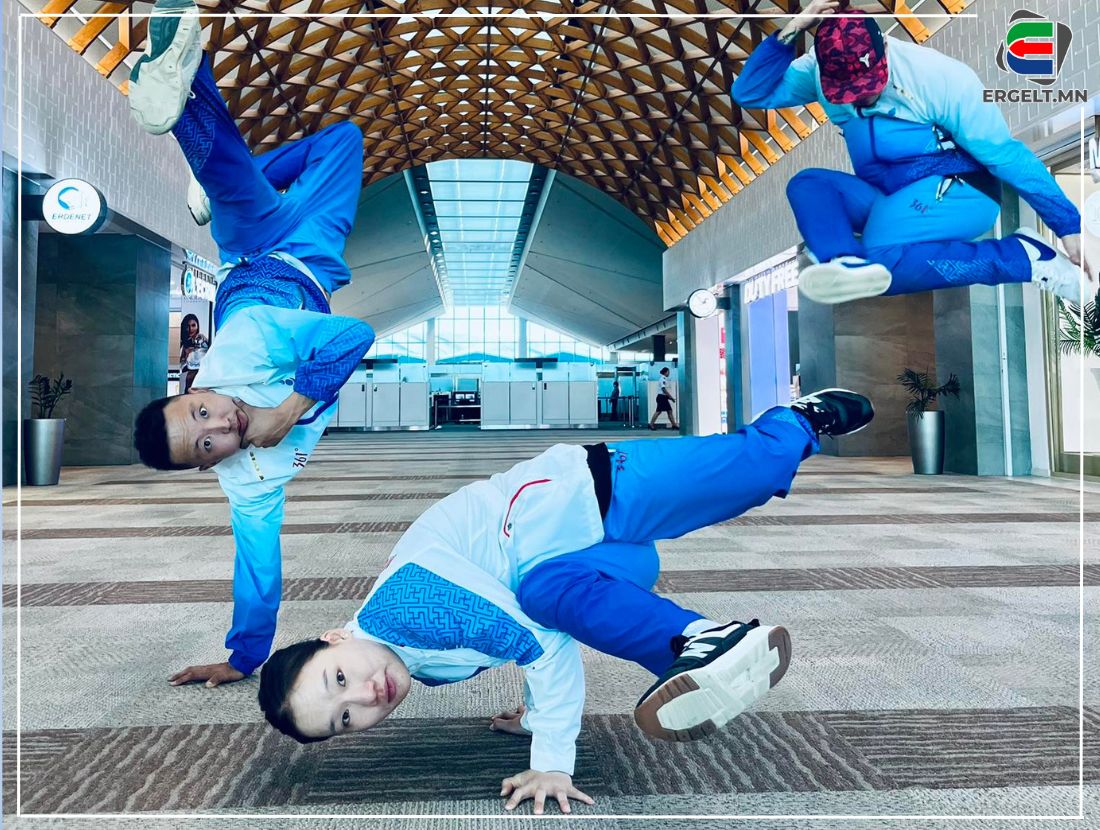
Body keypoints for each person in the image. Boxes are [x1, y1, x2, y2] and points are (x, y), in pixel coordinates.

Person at [256, 389, 875, 814]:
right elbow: (511, 628)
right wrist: (532, 715)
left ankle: (800, 417)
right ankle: (696, 645)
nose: (367, 696)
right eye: (345, 719)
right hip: (596, 565)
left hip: (597, 492)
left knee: (754, 470)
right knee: (543, 594)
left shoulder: (407, 609)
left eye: (339, 678)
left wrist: (551, 761)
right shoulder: (407, 659)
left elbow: (541, 647)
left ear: (335, 638)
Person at [129, 0, 375, 688]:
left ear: (195, 389)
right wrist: (244, 658)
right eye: (207, 444)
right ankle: (228, 166)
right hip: (313, 257)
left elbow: (355, 336)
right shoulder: (250, 482)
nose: (220, 425)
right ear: (210, 466)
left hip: (255, 253)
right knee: (345, 138)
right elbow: (258, 566)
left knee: (233, 187)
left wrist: (287, 410)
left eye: (200, 411)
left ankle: (183, 76)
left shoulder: (244, 347)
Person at [731, 0, 1094, 306]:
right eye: (847, 94)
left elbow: (1005, 154)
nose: (861, 99)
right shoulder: (816, 70)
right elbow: (750, 93)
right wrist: (792, 29)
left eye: (869, 87)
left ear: (885, 53)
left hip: (960, 188)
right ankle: (847, 264)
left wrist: (1067, 223)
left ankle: (1026, 257)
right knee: (808, 184)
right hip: (891, 197)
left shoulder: (939, 78)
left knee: (882, 258)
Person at [178, 313, 209, 394]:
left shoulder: (202, 339)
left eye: (193, 325)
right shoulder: (185, 343)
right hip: (189, 376)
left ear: (197, 325)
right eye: (188, 326)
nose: (191, 329)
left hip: (200, 376)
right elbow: (182, 363)